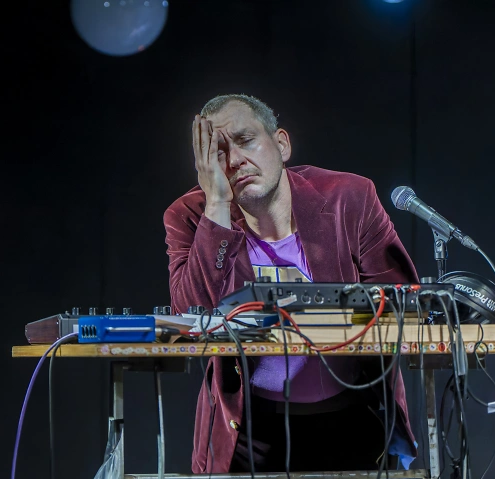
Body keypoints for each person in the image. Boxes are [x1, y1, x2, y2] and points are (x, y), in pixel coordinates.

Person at [163, 94, 419, 473]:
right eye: (218, 153)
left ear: (281, 144)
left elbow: (403, 306)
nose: (234, 161)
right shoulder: (192, 215)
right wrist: (216, 206)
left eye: (245, 140)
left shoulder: (350, 198)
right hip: (251, 430)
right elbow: (190, 318)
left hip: (351, 417)